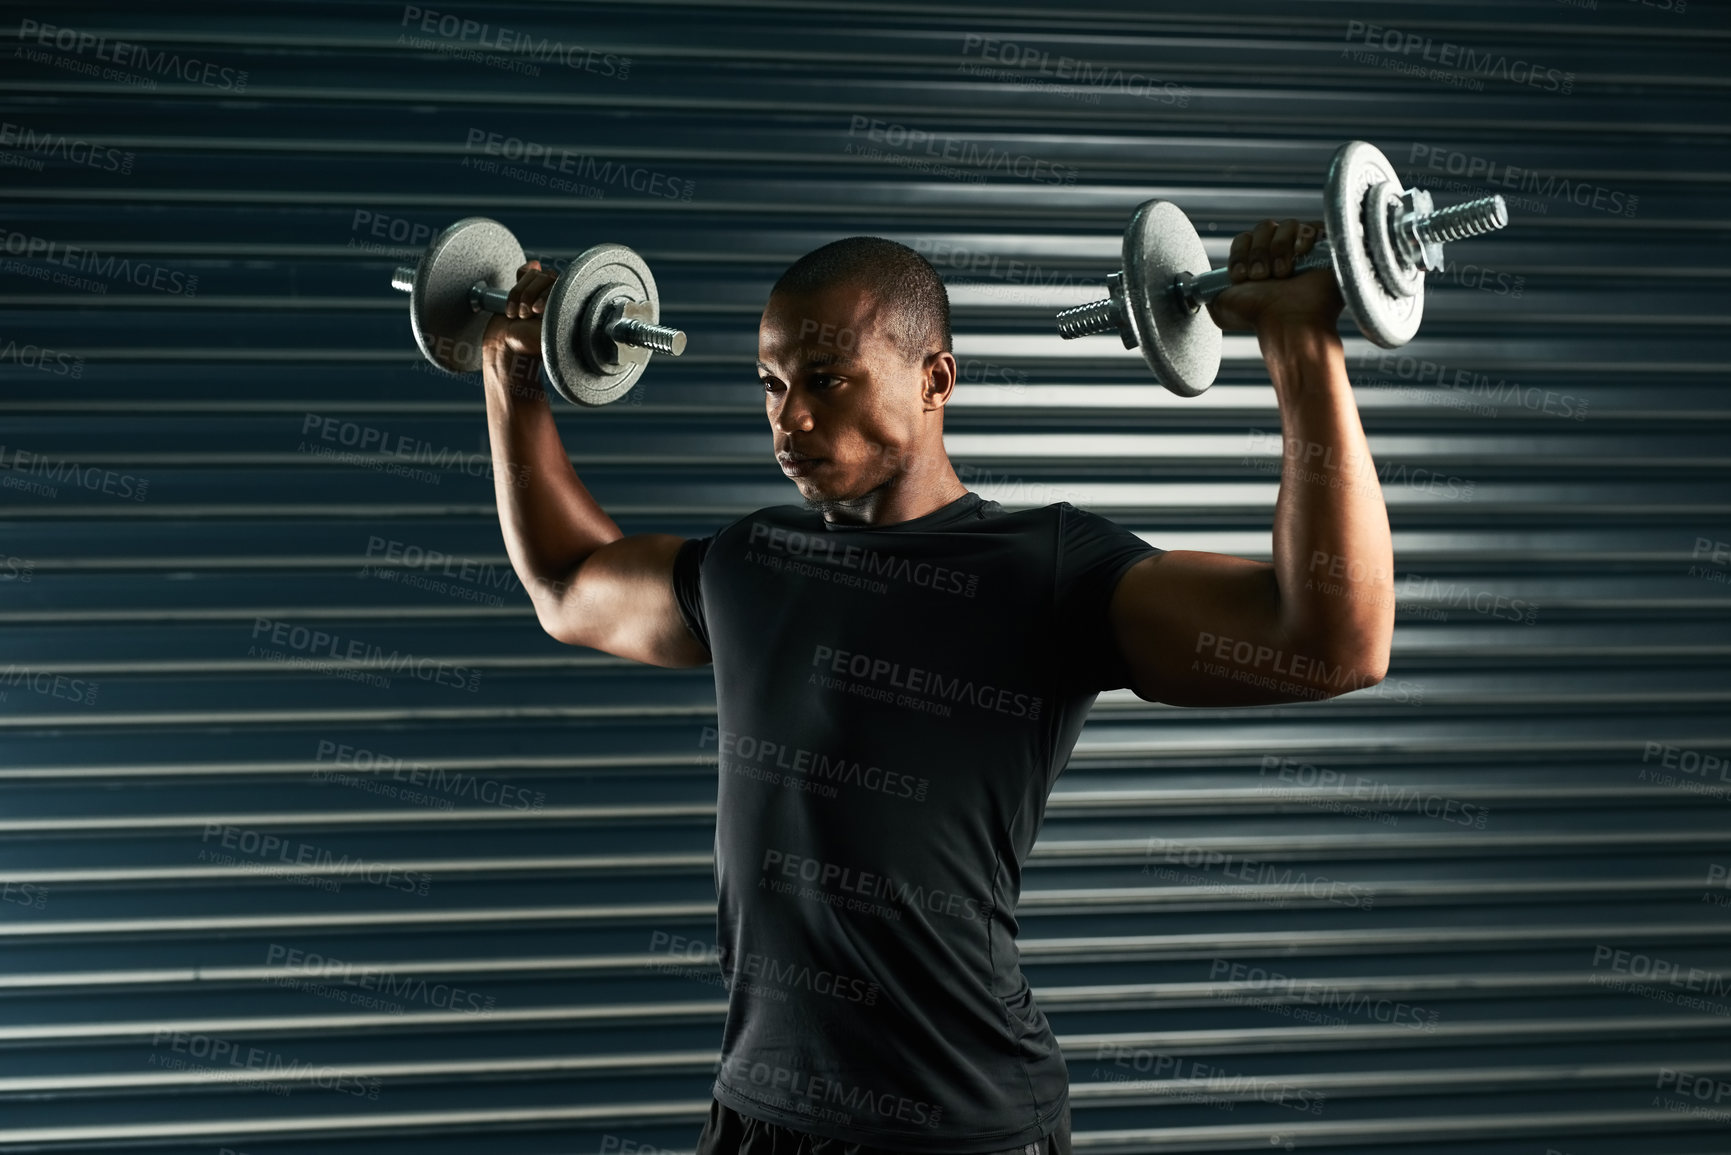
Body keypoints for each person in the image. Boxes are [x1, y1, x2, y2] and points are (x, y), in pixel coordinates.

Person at [477, 219, 1393, 1155]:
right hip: (759, 1115)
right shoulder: (750, 564)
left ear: (934, 381)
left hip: (956, 1125)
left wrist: (1298, 341)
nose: (789, 418)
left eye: (826, 380)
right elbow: (565, 584)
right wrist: (510, 373)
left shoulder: (1043, 568)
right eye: (772, 385)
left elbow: (1330, 638)